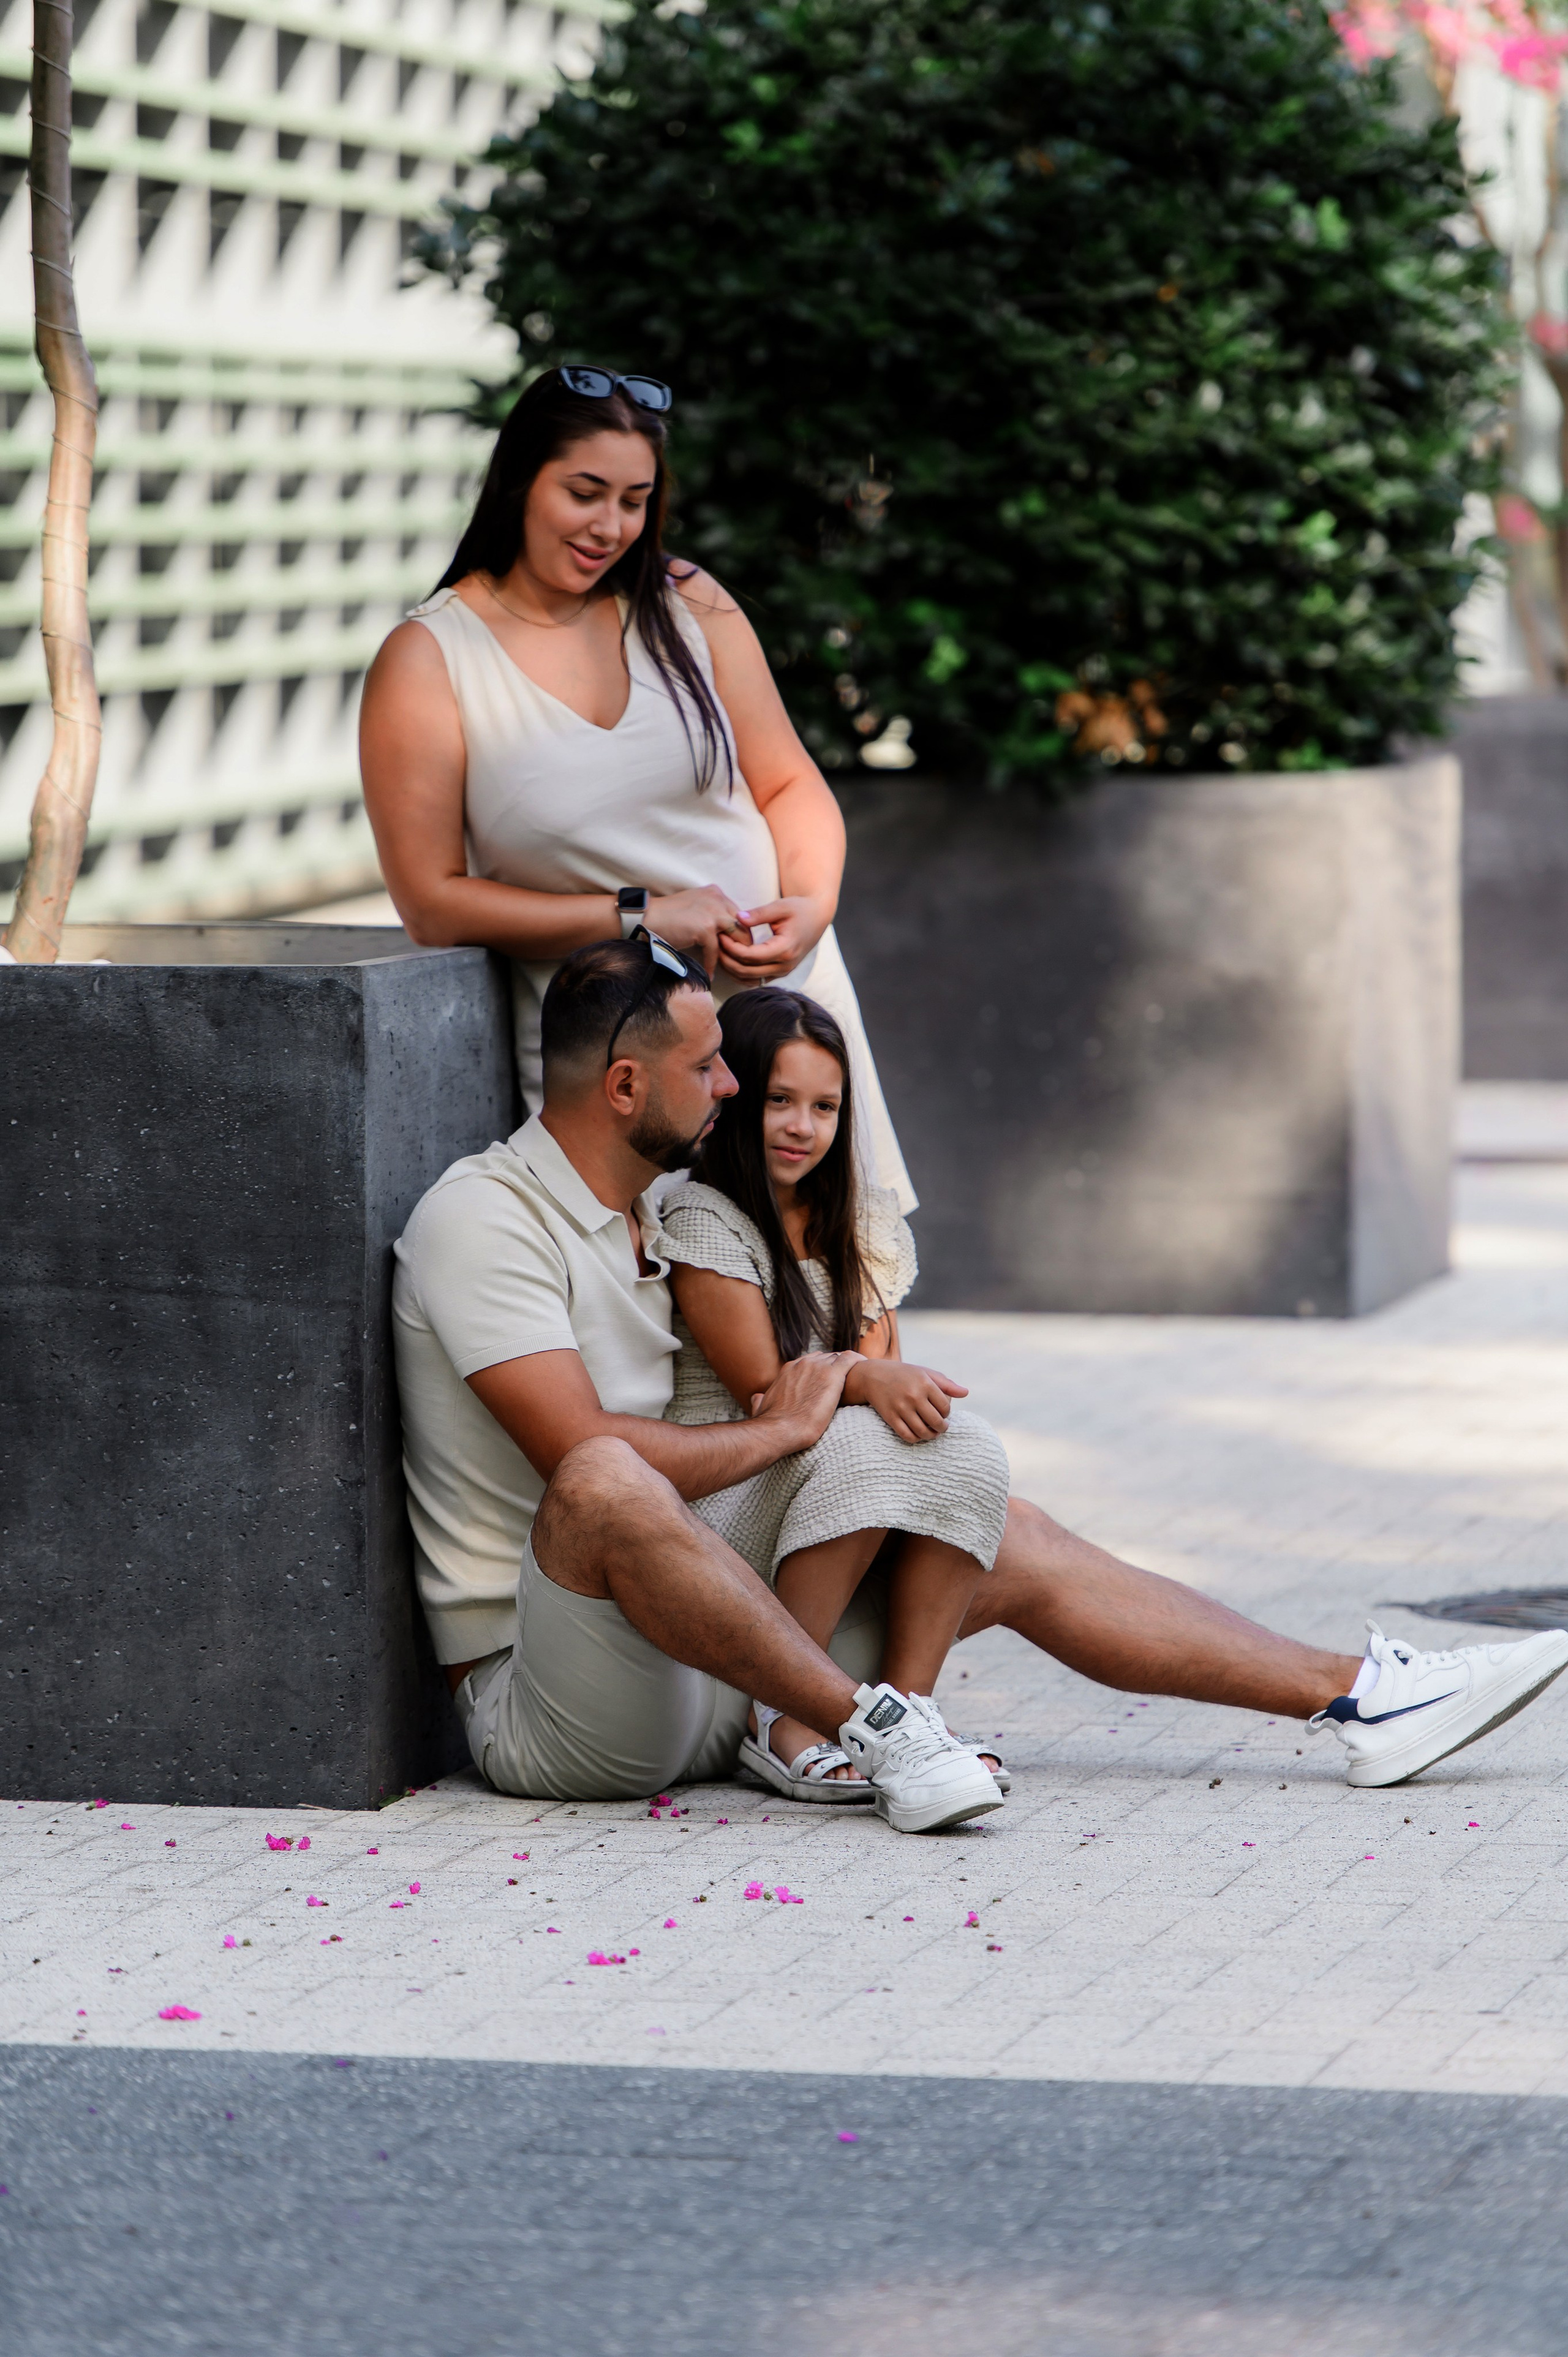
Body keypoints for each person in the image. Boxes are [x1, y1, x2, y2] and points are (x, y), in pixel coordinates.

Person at [391, 935, 1568, 1833]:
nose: (736, 1089)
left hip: (716, 1651)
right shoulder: (485, 1219)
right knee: (607, 1476)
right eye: (710, 1067)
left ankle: (1359, 1698)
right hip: (562, 1697)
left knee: (995, 1516)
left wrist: (845, 1390)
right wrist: (792, 1422)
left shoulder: (659, 1210)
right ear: (627, 1090)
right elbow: (578, 1464)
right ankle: (876, 1728)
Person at [358, 361, 911, 1207]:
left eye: (634, 499)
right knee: (679, 1319)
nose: (610, 525)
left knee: (847, 1291)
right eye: (584, 492)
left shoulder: (690, 603)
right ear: (519, 481)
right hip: (627, 1065)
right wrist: (642, 915)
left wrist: (812, 906)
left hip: (791, 1016)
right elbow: (432, 904)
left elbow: (790, 782)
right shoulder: (430, 659)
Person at [660, 985, 1012, 1798]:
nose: (802, 1126)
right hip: (729, 1490)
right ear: (737, 1092)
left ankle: (910, 1712)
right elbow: (768, 1392)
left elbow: (885, 1376)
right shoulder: (707, 1219)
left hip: (827, 1477)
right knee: (860, 1438)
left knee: (968, 1445)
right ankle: (783, 1716)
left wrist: (877, 1377)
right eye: (780, 1100)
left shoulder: (863, 1223)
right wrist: (865, 1373)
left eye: (824, 1107)